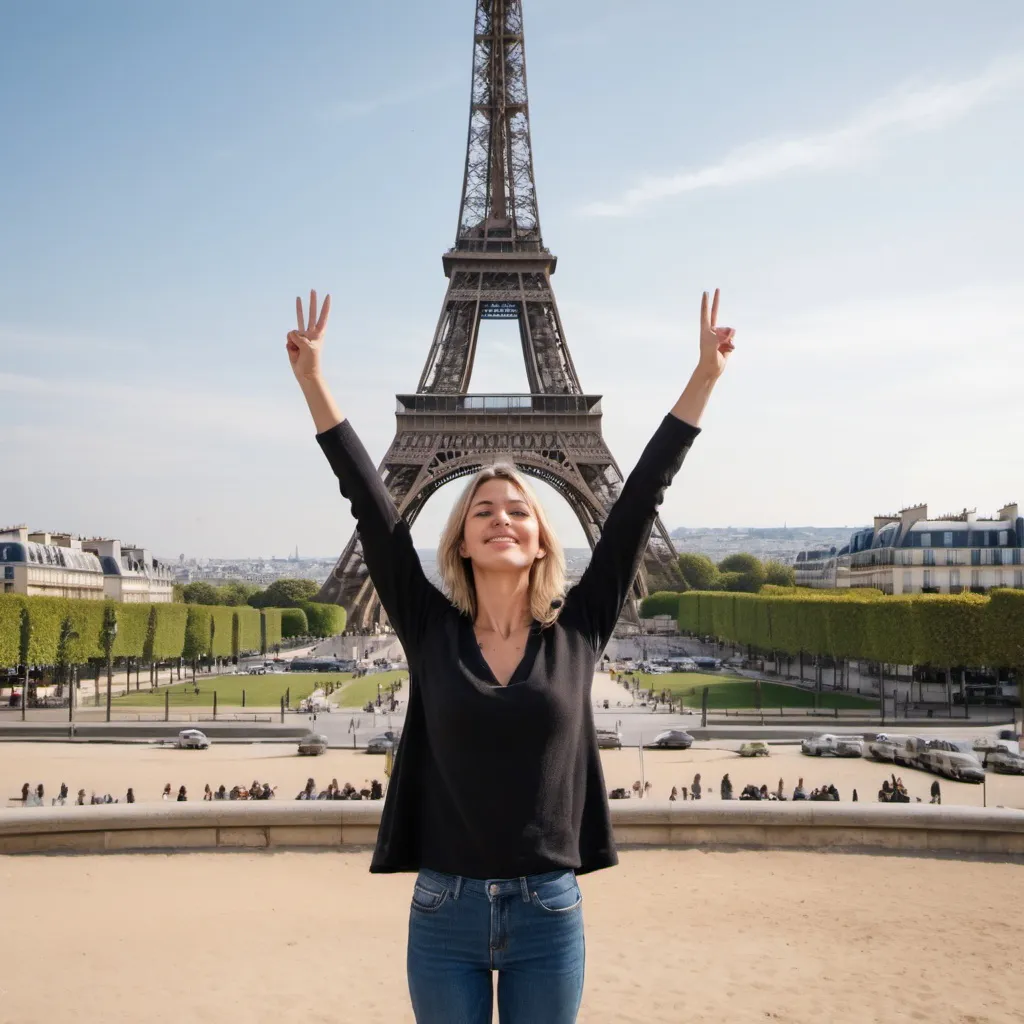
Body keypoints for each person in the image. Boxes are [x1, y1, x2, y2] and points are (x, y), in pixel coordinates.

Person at [289, 285, 735, 1023]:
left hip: (548, 912)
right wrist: (315, 385)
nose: (501, 518)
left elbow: (636, 507)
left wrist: (703, 381)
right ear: (460, 539)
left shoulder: (578, 633)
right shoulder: (431, 632)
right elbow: (371, 506)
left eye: (519, 510)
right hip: (444, 911)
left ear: (540, 540)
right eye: (483, 510)